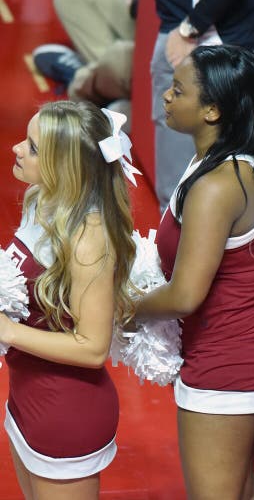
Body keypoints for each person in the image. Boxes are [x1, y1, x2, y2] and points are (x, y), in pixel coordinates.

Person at [134, 44, 254, 500]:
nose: (166, 95)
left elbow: (184, 296)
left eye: (178, 90)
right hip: (231, 347)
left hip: (227, 361)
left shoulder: (217, 186)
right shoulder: (220, 161)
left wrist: (125, 309)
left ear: (212, 111)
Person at [1, 101, 137, 499]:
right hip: (26, 394)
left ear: (67, 167)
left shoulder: (87, 239)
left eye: (34, 147)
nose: (16, 149)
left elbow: (93, 348)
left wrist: (7, 329)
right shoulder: (41, 200)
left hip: (66, 411)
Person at [148, 0, 254, 210]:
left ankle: (188, 226)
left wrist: (191, 27)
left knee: (227, 140)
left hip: (207, 31)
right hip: (186, 21)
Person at [32, 0, 138, 119]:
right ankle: (103, 82)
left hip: (168, 43)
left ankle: (81, 80)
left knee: (121, 56)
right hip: (155, 15)